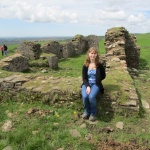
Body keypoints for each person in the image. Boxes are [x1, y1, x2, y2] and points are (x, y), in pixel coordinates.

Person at [81, 47, 106, 121]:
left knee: (91, 97)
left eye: (94, 53)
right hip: (86, 84)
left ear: (96, 55)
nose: (93, 55)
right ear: (88, 54)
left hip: (96, 84)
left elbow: (103, 75)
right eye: (91, 53)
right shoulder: (85, 65)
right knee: (85, 96)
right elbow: (84, 78)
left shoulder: (99, 65)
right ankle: (86, 111)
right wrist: (88, 86)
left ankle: (93, 113)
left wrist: (97, 80)